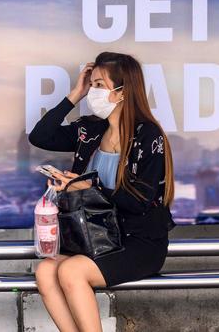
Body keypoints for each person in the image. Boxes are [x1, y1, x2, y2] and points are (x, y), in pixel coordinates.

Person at [28, 52, 175, 331]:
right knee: (46, 272)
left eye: (98, 85)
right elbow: (40, 136)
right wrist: (76, 93)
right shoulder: (91, 130)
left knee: (71, 272)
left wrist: (88, 186)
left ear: (122, 92)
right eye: (91, 85)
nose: (93, 92)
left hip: (139, 241)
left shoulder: (148, 135)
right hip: (96, 238)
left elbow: (140, 201)